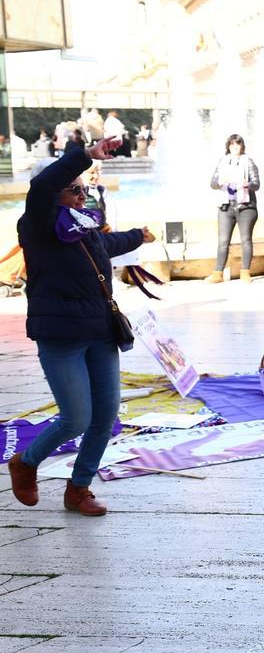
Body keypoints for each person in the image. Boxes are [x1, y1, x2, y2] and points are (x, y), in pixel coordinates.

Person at [7, 137, 154, 516]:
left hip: (101, 331)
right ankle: (26, 462)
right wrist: (85, 156)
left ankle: (79, 488)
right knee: (76, 419)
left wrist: (137, 235)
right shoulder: (38, 224)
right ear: (55, 192)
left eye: (84, 189)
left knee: (104, 418)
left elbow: (106, 247)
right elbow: (42, 185)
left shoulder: (82, 225)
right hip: (61, 336)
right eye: (73, 189)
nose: (81, 195)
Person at [205, 134, 260, 284]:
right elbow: (213, 183)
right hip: (226, 206)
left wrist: (247, 184)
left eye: (238, 144)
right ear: (228, 146)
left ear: (242, 146)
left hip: (245, 206)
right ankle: (218, 273)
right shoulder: (222, 161)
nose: (235, 147)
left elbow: (256, 184)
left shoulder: (248, 161)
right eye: (232, 145)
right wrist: (219, 182)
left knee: (246, 240)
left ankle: (245, 272)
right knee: (223, 241)